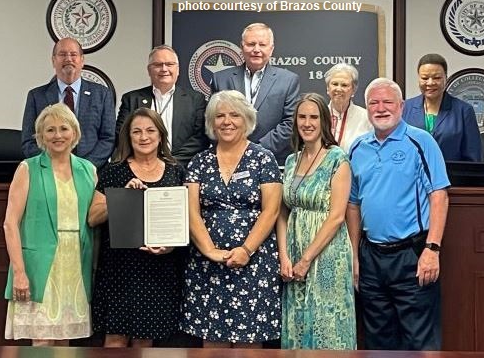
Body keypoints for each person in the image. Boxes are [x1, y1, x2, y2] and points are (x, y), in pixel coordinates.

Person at [346, 78, 450, 350]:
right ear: (366, 108)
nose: (381, 108)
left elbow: (439, 195)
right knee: (378, 342)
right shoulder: (357, 148)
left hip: (412, 255)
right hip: (371, 258)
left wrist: (433, 249)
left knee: (419, 341)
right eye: (374, 103)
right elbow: (353, 204)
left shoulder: (420, 141)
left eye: (387, 102)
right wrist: (355, 255)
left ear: (401, 106)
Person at [181, 90, 282, 347]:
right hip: (208, 265)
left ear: (246, 119)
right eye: (220, 116)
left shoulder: (263, 159)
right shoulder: (199, 162)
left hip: (254, 262)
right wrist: (211, 250)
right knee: (212, 345)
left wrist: (246, 250)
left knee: (250, 344)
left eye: (234, 115)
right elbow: (192, 211)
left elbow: (271, 211)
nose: (227, 121)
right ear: (211, 122)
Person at [88, 107, 187, 347]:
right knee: (115, 340)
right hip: (119, 269)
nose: (144, 137)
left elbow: (184, 222)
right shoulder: (113, 172)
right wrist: (121, 197)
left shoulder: (176, 172)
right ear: (128, 137)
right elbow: (92, 217)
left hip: (158, 268)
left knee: (145, 342)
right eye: (137, 132)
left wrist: (169, 248)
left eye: (150, 131)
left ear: (160, 136)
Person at [3, 103, 97, 345]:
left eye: (64, 128)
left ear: (74, 133)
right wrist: (20, 273)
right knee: (42, 342)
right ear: (41, 136)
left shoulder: (88, 170)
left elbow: (96, 214)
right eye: (50, 130)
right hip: (39, 268)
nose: (58, 135)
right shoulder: (28, 168)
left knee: (65, 340)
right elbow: (10, 224)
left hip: (75, 265)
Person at [277, 93, 356, 349]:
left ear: (324, 122)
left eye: (314, 117)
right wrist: (285, 257)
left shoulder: (337, 159)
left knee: (327, 325)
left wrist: (306, 259)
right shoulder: (291, 161)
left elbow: (336, 217)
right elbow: (282, 212)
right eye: (302, 117)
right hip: (294, 250)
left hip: (326, 253)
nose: (307, 123)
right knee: (298, 323)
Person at [210, 23, 300, 166]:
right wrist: (235, 148)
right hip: (229, 160)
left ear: (271, 49)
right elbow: (213, 119)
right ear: (242, 47)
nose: (256, 50)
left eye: (262, 44)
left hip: (272, 160)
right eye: (251, 44)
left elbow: (290, 123)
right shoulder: (221, 79)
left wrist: (255, 150)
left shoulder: (288, 80)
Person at [22, 37, 116, 168]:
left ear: (82, 61)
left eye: (73, 54)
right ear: (53, 61)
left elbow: (108, 139)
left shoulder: (102, 94)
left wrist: (84, 166)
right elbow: (29, 141)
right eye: (62, 54)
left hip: (91, 173)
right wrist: (53, 164)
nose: (68, 59)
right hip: (48, 172)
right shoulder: (36, 96)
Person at [115, 45, 208, 167]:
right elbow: (121, 135)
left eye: (169, 64)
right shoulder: (131, 99)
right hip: (140, 169)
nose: (164, 69)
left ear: (178, 69)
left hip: (181, 169)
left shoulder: (195, 99)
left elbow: (200, 138)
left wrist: (170, 163)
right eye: (158, 65)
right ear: (149, 70)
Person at [402, 53, 481, 161]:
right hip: (413, 176)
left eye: (437, 78)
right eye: (425, 78)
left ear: (446, 79)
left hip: (450, 176)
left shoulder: (464, 111)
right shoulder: (405, 108)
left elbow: (474, 157)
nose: (430, 83)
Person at [324, 63, 371, 153]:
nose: (339, 89)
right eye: (334, 84)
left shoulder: (366, 117)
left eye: (344, 85)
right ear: (328, 88)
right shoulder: (318, 116)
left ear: (353, 90)